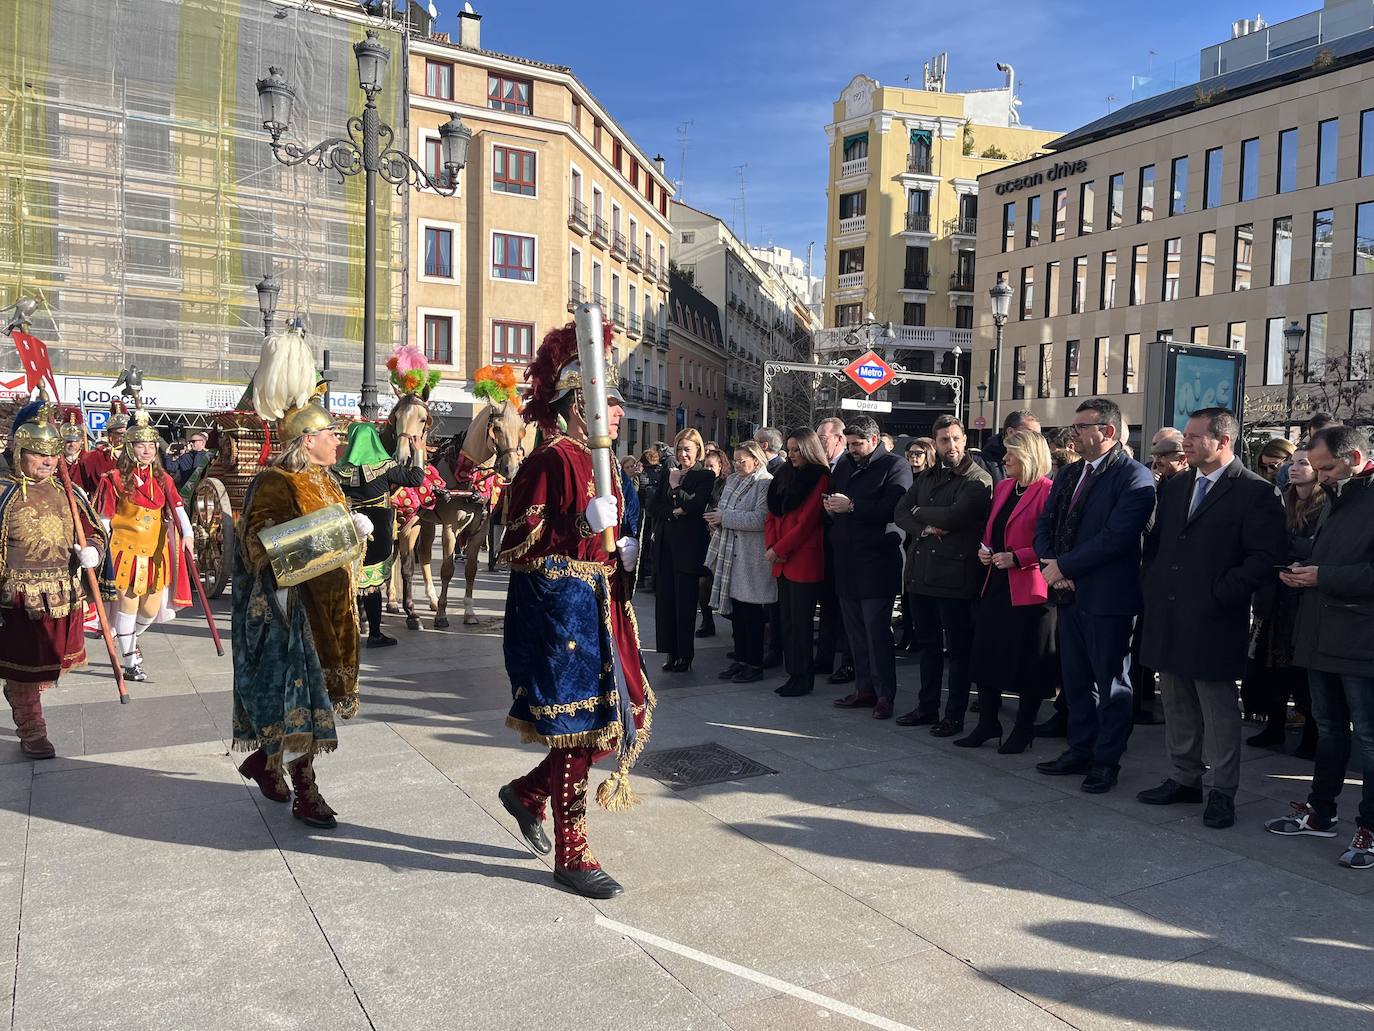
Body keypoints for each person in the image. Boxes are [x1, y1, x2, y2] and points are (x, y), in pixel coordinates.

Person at [496, 322, 652, 900]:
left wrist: (623, 544)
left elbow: (615, 537)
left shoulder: (599, 461)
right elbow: (514, 542)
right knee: (573, 731)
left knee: (601, 726)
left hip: (600, 605)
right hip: (560, 612)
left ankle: (527, 794)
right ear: (573, 405)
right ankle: (573, 852)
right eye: (601, 402)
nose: (612, 413)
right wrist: (577, 527)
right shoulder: (549, 460)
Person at [231, 325, 369, 830]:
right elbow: (259, 548)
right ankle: (305, 792)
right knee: (303, 709)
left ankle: (263, 761)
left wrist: (349, 535)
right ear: (307, 440)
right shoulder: (276, 480)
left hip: (328, 608)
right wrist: (338, 530)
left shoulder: (323, 479)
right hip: (292, 619)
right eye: (331, 433)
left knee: (312, 704)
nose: (339, 440)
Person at [1137, 408, 1286, 828]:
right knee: (1177, 701)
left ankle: (1222, 791)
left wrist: (1221, 593)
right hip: (1169, 612)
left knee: (1218, 710)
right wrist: (1152, 585)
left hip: (1216, 619)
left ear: (1223, 441)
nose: (1185, 443)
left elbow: (1265, 559)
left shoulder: (1255, 492)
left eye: (1194, 436)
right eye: (1184, 435)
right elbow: (1159, 545)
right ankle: (1183, 778)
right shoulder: (1176, 486)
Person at [1034, 398, 1156, 794]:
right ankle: (1079, 748)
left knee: (1111, 682)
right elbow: (1045, 522)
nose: (1074, 434)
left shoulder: (1135, 477)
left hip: (1108, 597)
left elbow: (1116, 538)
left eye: (1081, 427)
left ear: (1108, 431)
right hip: (1068, 593)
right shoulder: (1070, 473)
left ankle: (1106, 761)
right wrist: (1051, 564)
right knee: (1075, 678)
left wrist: (1064, 568)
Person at [1266, 425, 1374, 870]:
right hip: (1321, 631)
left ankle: (1369, 827)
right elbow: (1335, 553)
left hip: (1361, 638)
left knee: (1368, 738)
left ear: (1353, 457)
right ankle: (1321, 810)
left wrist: (1322, 575)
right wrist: (1304, 564)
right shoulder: (1341, 494)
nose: (1320, 475)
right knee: (1328, 729)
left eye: (1326, 466)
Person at [0, 401, 106, 758]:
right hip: (17, 599)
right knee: (25, 669)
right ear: (19, 450)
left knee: (45, 667)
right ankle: (32, 728)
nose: (47, 461)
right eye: (38, 454)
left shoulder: (70, 492)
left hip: (61, 596)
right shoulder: (4, 492)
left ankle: (24, 699)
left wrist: (92, 548)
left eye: (52, 454)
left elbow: (95, 532)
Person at [955, 429, 1056, 753]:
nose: (1005, 459)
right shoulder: (1003, 487)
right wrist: (985, 549)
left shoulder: (1048, 492)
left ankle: (1024, 729)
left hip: (1030, 590)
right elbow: (992, 530)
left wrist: (1019, 557)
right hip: (995, 583)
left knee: (1029, 663)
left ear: (1028, 456)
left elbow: (1050, 543)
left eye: (1011, 453)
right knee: (985, 655)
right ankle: (988, 723)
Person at [894, 415, 992, 733]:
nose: (950, 445)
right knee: (928, 647)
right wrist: (923, 526)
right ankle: (927, 707)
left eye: (955, 438)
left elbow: (954, 516)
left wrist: (919, 512)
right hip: (921, 574)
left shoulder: (978, 479)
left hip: (955, 578)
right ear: (934, 443)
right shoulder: (927, 477)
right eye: (943, 440)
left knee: (959, 652)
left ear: (964, 439)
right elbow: (900, 511)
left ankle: (955, 714)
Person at [93, 405, 195, 683]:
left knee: (150, 610)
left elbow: (177, 508)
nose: (147, 451)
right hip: (125, 551)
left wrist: (188, 534)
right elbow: (104, 519)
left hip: (155, 552)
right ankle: (130, 661)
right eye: (141, 445)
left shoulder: (163, 479)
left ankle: (128, 640)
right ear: (129, 448)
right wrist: (98, 548)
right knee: (128, 605)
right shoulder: (113, 480)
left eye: (151, 445)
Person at [826, 416, 913, 719]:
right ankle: (864, 688)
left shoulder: (895, 466)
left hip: (877, 561)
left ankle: (884, 694)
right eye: (848, 444)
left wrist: (852, 507)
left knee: (877, 632)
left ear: (874, 440)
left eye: (857, 444)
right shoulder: (846, 464)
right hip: (846, 559)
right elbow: (834, 491)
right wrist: (831, 505)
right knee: (855, 633)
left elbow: (894, 508)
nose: (852, 450)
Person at [1245, 443, 1325, 756]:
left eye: (1302, 463)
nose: (1293, 468)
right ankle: (1274, 726)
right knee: (1273, 665)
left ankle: (1312, 735)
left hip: (1306, 598)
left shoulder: (1325, 505)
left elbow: (1319, 548)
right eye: (1291, 463)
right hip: (1277, 596)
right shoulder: (1282, 500)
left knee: (1303, 671)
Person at [335, 421, 427, 648]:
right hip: (379, 530)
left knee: (354, 580)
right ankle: (375, 633)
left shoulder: (339, 469)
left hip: (351, 528)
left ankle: (354, 629)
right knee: (373, 583)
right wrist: (419, 453)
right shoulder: (384, 466)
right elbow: (416, 479)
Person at [766, 429, 829, 697]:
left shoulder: (820, 477)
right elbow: (771, 514)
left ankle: (803, 677)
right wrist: (771, 546)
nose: (792, 455)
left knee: (802, 623)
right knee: (787, 620)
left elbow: (808, 521)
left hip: (803, 557)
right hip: (781, 557)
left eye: (797, 450)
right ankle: (793, 673)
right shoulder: (783, 474)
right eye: (789, 449)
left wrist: (779, 548)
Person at [705, 442, 774, 682]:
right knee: (737, 613)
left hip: (751, 556)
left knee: (752, 614)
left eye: (742, 460)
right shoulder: (733, 480)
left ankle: (754, 664)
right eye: (735, 460)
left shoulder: (765, 482)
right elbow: (723, 507)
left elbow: (761, 518)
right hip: (730, 552)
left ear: (756, 460)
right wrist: (716, 519)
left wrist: (724, 518)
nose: (737, 464)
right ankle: (741, 659)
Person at [651, 428, 714, 672]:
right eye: (679, 449)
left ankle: (685, 656)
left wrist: (676, 489)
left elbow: (697, 505)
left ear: (698, 450)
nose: (682, 454)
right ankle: (670, 652)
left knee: (685, 603)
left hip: (688, 548)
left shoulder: (705, 475)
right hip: (665, 546)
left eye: (687, 449)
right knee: (665, 601)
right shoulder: (669, 471)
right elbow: (654, 505)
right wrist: (676, 511)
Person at [813, 416, 853, 682]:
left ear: (839, 439)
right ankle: (825, 658)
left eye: (823, 438)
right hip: (826, 548)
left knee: (846, 610)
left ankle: (847, 663)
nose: (818, 443)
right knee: (828, 604)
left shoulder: (849, 466)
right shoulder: (823, 468)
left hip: (848, 548)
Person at [695, 448, 730, 638]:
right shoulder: (704, 482)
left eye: (712, 466)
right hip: (703, 538)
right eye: (706, 465)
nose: (708, 469)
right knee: (703, 583)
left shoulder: (724, 484)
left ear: (720, 466)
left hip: (718, 537)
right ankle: (707, 622)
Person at [76, 405, 127, 495]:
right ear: (110, 436)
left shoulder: (138, 457)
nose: (125, 438)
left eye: (127, 434)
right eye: (121, 434)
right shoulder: (93, 458)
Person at [980, 410, 1042, 483]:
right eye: (1030, 433)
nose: (1036, 439)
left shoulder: (1041, 460)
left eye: (1038, 435)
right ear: (1010, 432)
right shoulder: (984, 462)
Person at [637, 448, 663, 591]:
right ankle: (653, 580)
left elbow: (638, 495)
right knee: (654, 548)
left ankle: (640, 579)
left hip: (644, 514)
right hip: (656, 516)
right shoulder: (660, 475)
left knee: (643, 547)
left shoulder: (642, 476)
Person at [165, 430, 211, 496]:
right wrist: (169, 455)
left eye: (193, 441)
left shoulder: (208, 456)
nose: (190, 444)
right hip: (186, 492)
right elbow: (171, 468)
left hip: (204, 492)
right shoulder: (184, 456)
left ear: (202, 442)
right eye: (190, 442)